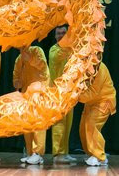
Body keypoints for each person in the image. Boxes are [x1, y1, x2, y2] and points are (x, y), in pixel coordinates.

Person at [13, 44, 50, 165]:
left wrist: (30, 59)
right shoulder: (19, 59)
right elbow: (16, 80)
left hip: (39, 91)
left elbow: (43, 67)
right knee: (27, 124)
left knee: (38, 122)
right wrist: (17, 82)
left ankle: (38, 153)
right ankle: (30, 153)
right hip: (26, 94)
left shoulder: (37, 51)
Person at [79, 62, 116, 167]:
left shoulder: (99, 68)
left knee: (92, 124)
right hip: (91, 102)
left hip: (104, 100)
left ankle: (99, 156)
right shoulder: (82, 66)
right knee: (83, 128)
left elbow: (93, 92)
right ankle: (92, 153)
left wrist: (75, 96)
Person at [48, 26, 76, 163]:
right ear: (55, 36)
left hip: (69, 92)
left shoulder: (71, 50)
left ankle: (65, 152)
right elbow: (60, 56)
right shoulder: (54, 50)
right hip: (57, 93)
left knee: (68, 125)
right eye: (58, 33)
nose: (61, 35)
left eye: (64, 33)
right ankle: (57, 154)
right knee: (59, 124)